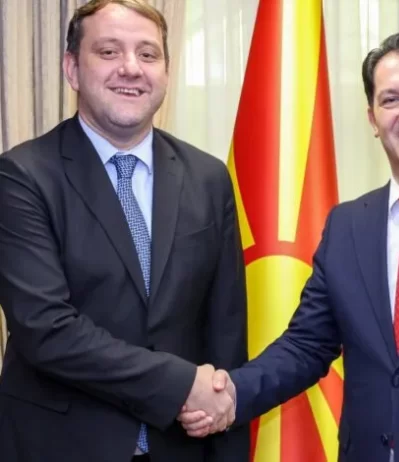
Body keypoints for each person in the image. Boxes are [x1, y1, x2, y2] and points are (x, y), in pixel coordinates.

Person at [179, 31, 399, 462]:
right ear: (372, 118)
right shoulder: (347, 225)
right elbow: (307, 345)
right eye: (391, 99)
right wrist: (231, 394)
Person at [0, 1, 249, 461]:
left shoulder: (208, 177)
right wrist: (181, 384)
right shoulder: (21, 176)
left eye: (148, 54)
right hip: (60, 446)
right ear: (72, 69)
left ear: (167, 73)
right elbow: (45, 329)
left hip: (183, 447)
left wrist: (226, 432)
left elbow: (226, 332)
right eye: (109, 52)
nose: (131, 68)